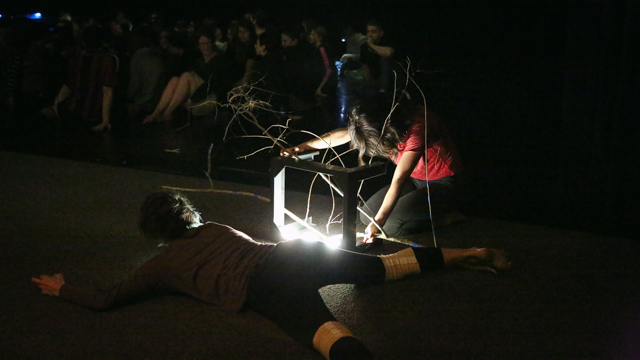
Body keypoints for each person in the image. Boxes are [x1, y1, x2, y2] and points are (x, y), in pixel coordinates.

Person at [32, 191, 511, 360]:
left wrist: (62, 288)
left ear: (155, 232)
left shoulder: (163, 263)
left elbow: (109, 297)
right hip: (291, 255)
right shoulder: (213, 226)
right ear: (186, 216)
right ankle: (468, 251)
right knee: (384, 267)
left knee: (325, 333)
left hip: (266, 286)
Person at [282, 97, 464, 243]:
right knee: (365, 216)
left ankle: (445, 219)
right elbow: (342, 134)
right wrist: (302, 147)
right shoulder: (376, 121)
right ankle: (415, 210)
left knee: (389, 226)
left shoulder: (417, 128)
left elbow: (398, 180)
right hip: (414, 180)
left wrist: (379, 222)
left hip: (442, 182)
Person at [143, 28, 230, 123]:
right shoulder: (198, 59)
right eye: (202, 44)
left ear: (212, 43)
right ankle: (156, 112)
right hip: (195, 94)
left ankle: (167, 113)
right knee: (175, 79)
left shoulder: (219, 60)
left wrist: (192, 99)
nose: (205, 47)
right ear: (198, 45)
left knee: (186, 75)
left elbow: (212, 84)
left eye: (208, 43)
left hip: (209, 98)